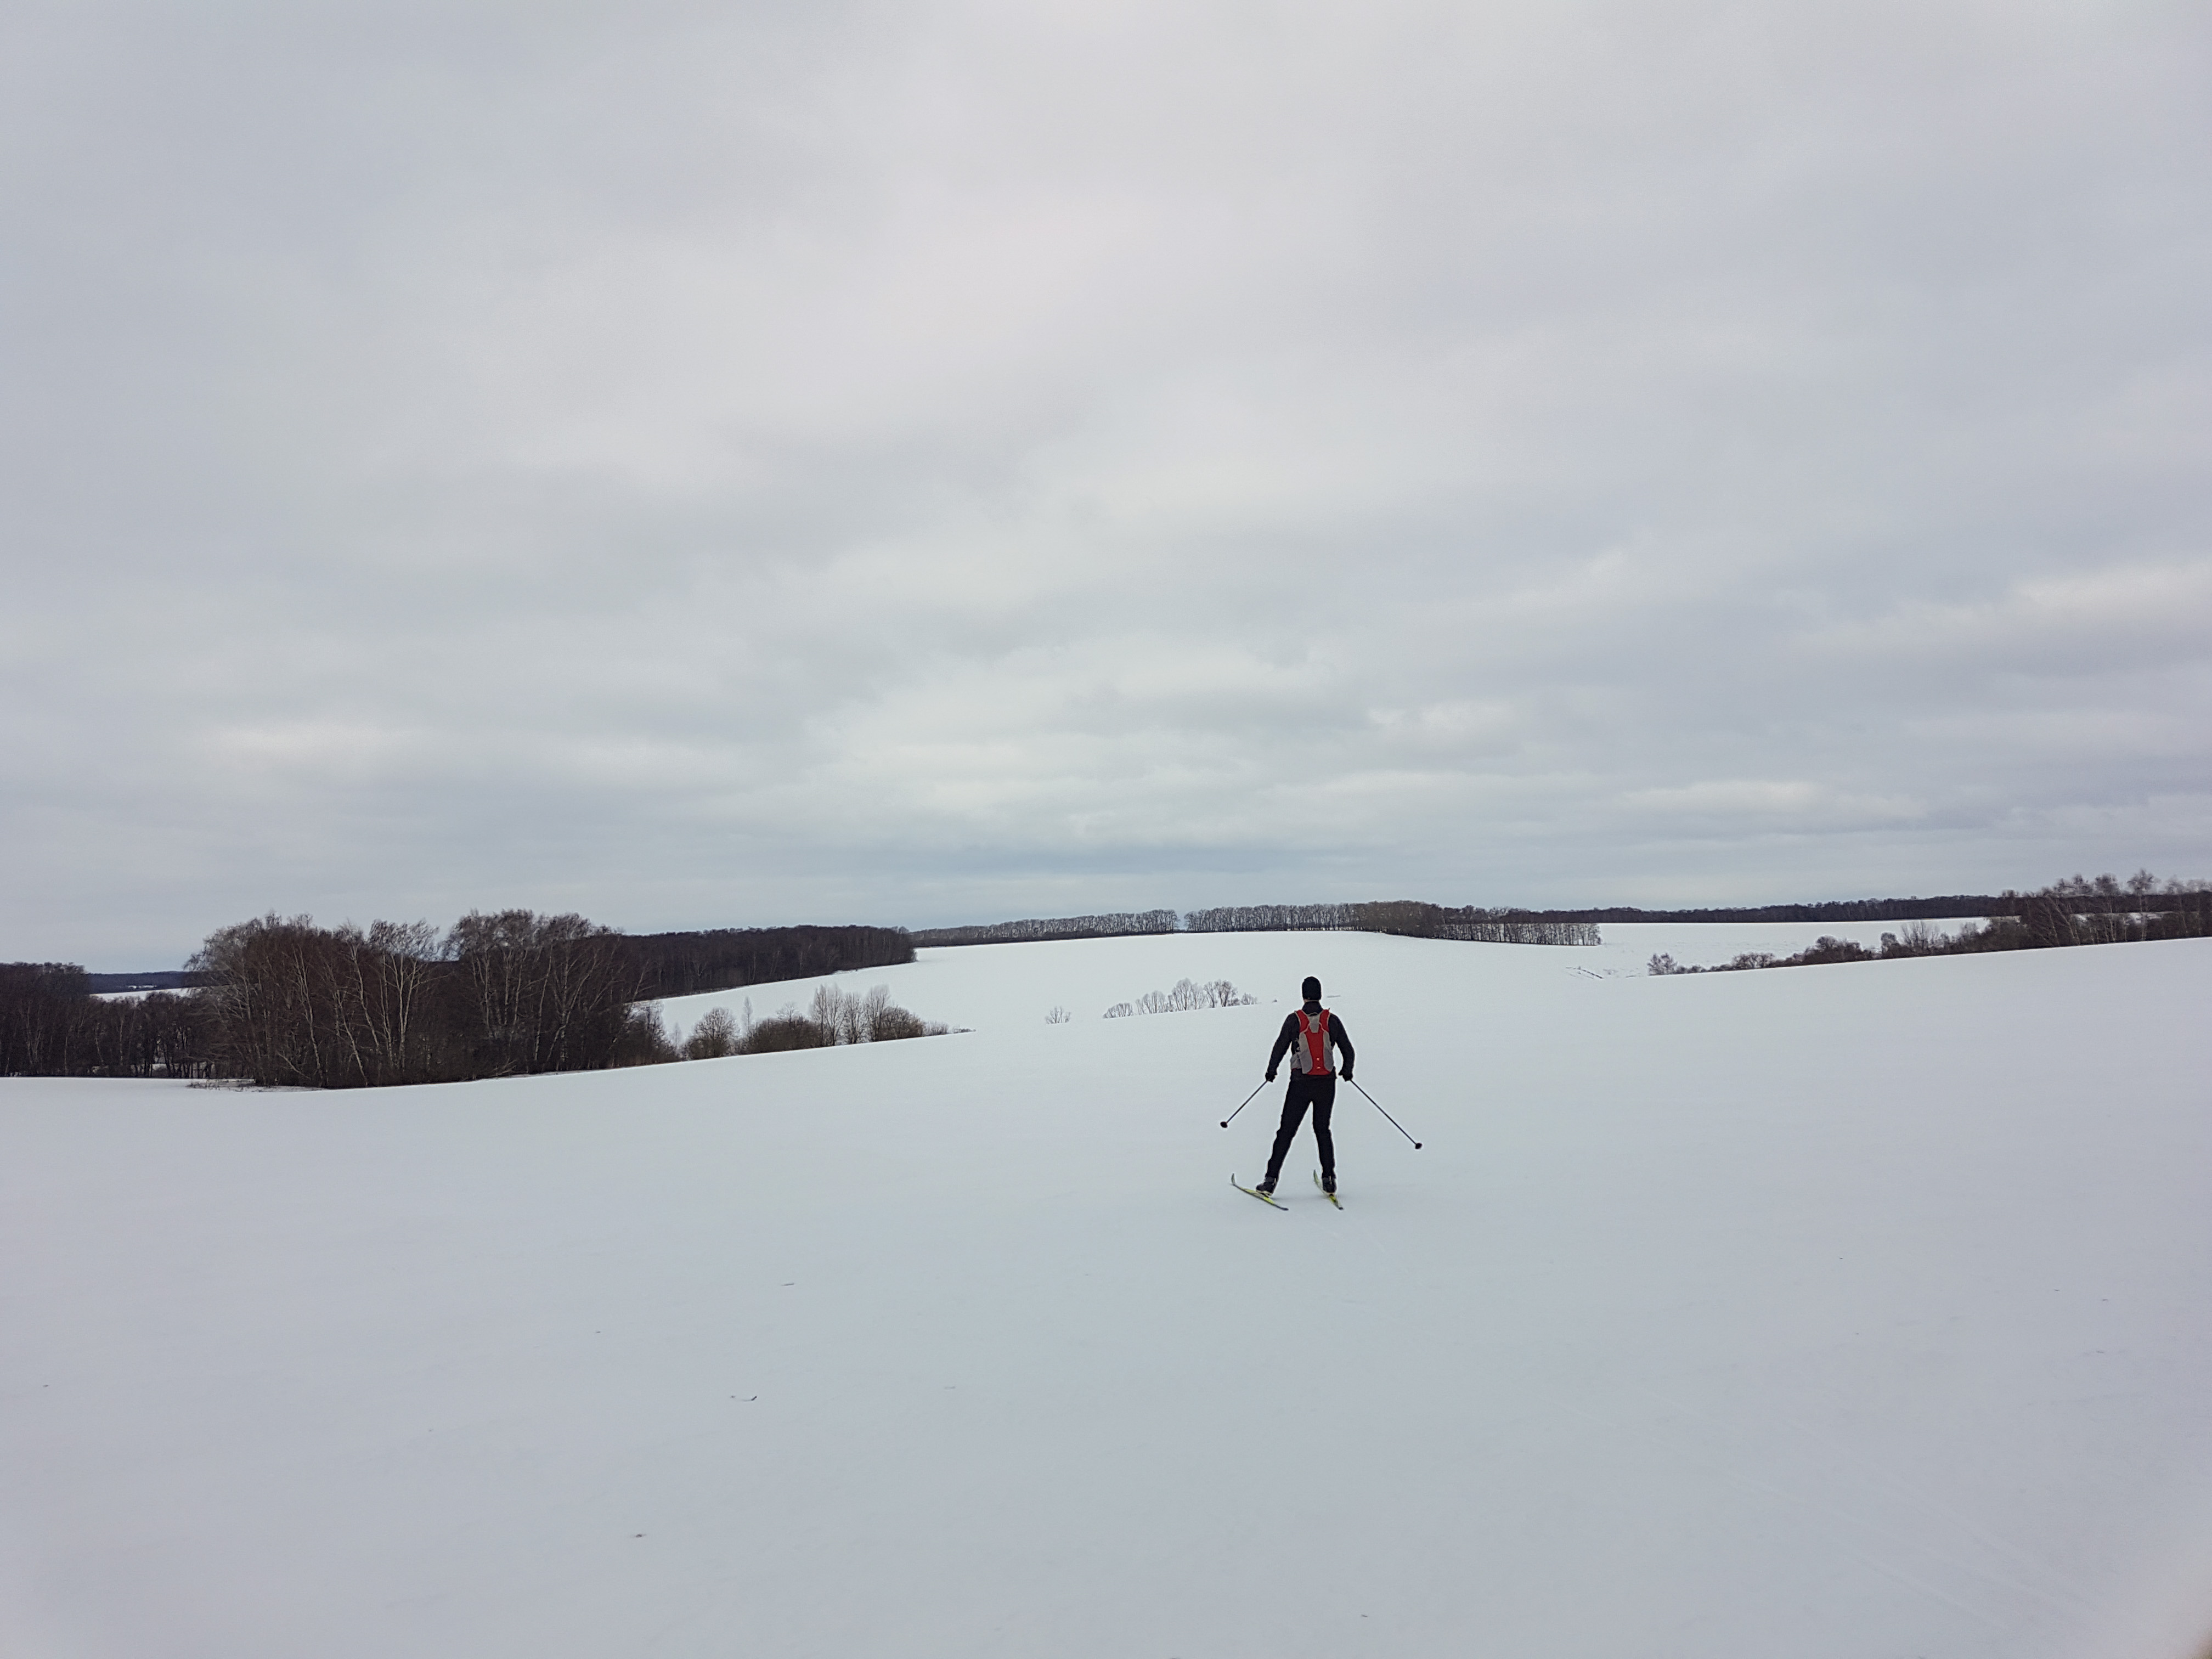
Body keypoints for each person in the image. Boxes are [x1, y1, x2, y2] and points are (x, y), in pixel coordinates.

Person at [1256, 975, 1354, 1195]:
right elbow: (1349, 1050)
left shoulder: (1294, 1020)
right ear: (1320, 995)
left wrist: (1271, 1071)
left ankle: (1270, 1180)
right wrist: (1347, 1071)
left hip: (1300, 1083)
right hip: (1327, 1083)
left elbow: (1280, 1047)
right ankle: (1329, 1178)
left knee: (1286, 1131)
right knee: (1322, 1130)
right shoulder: (1332, 1020)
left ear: (1303, 996)